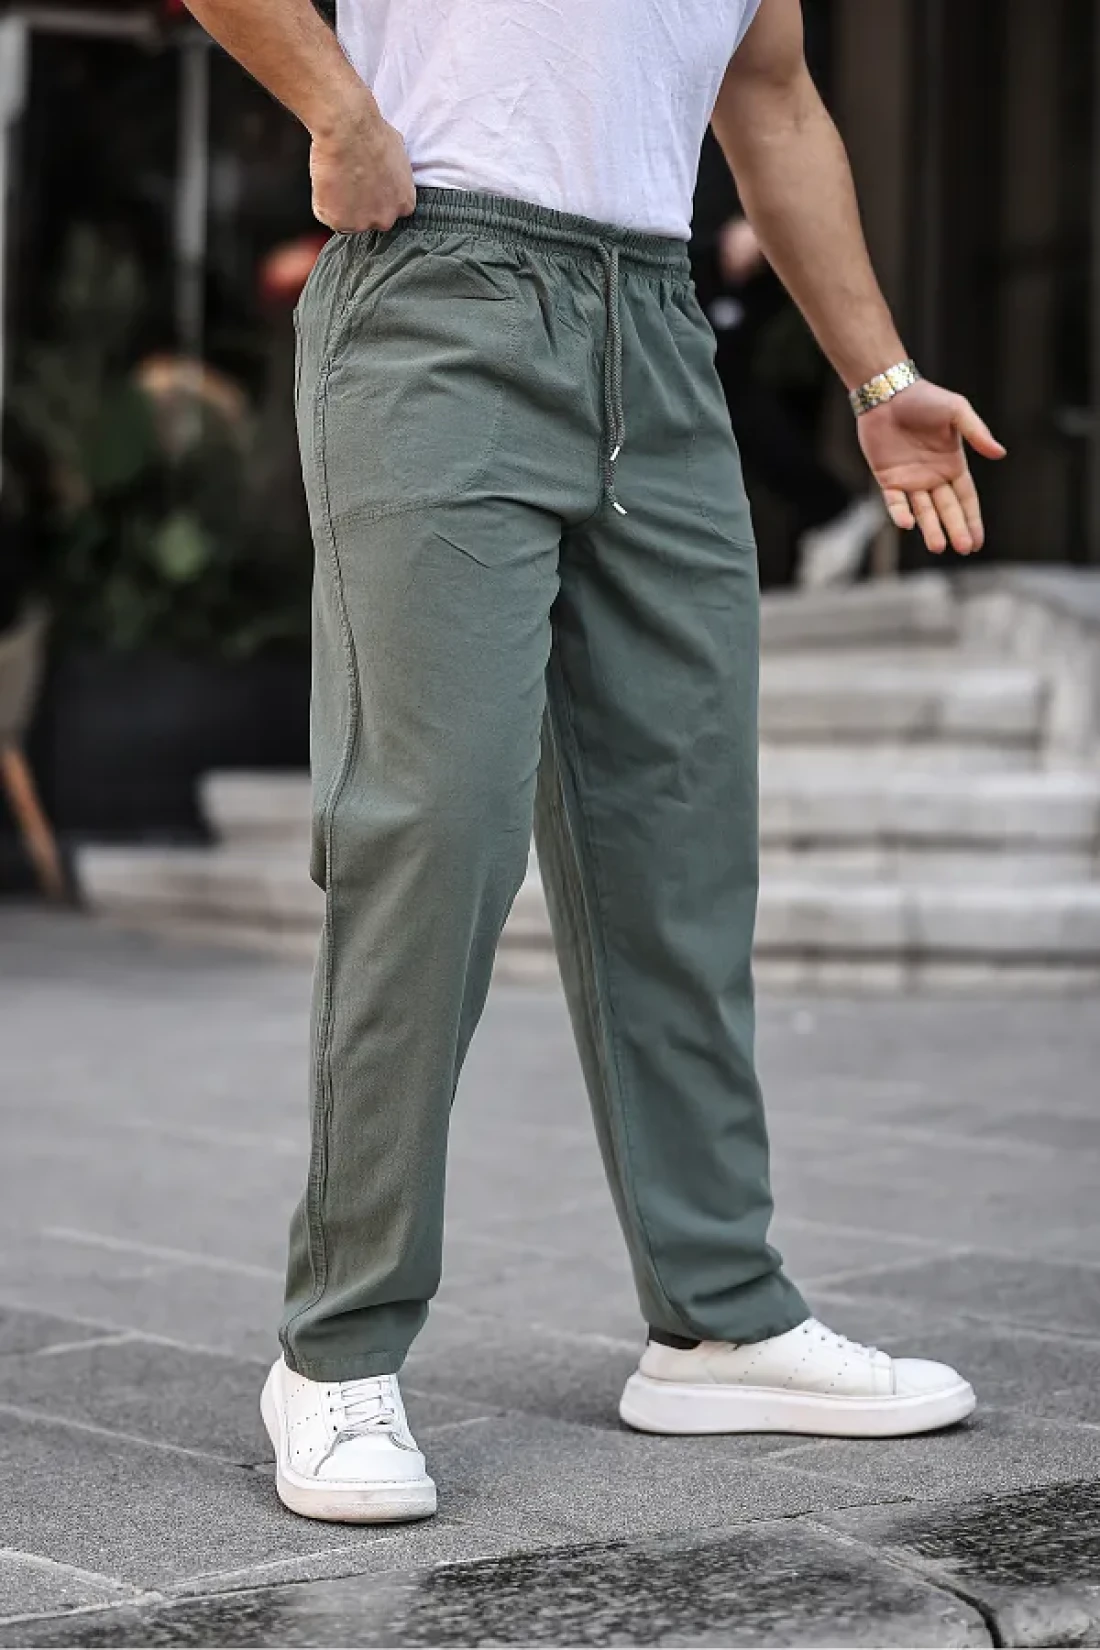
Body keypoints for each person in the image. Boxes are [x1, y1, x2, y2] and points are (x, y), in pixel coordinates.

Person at [182, 0, 1006, 1525]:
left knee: (680, 837)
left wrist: (881, 379)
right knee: (436, 828)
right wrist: (338, 110)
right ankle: (336, 1348)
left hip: (660, 330)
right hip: (438, 291)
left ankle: (718, 1316)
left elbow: (775, 99)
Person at [692, 133, 887, 589]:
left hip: (729, 257)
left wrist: (761, 225)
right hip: (678, 247)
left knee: (722, 393)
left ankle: (832, 508)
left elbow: (790, 122)